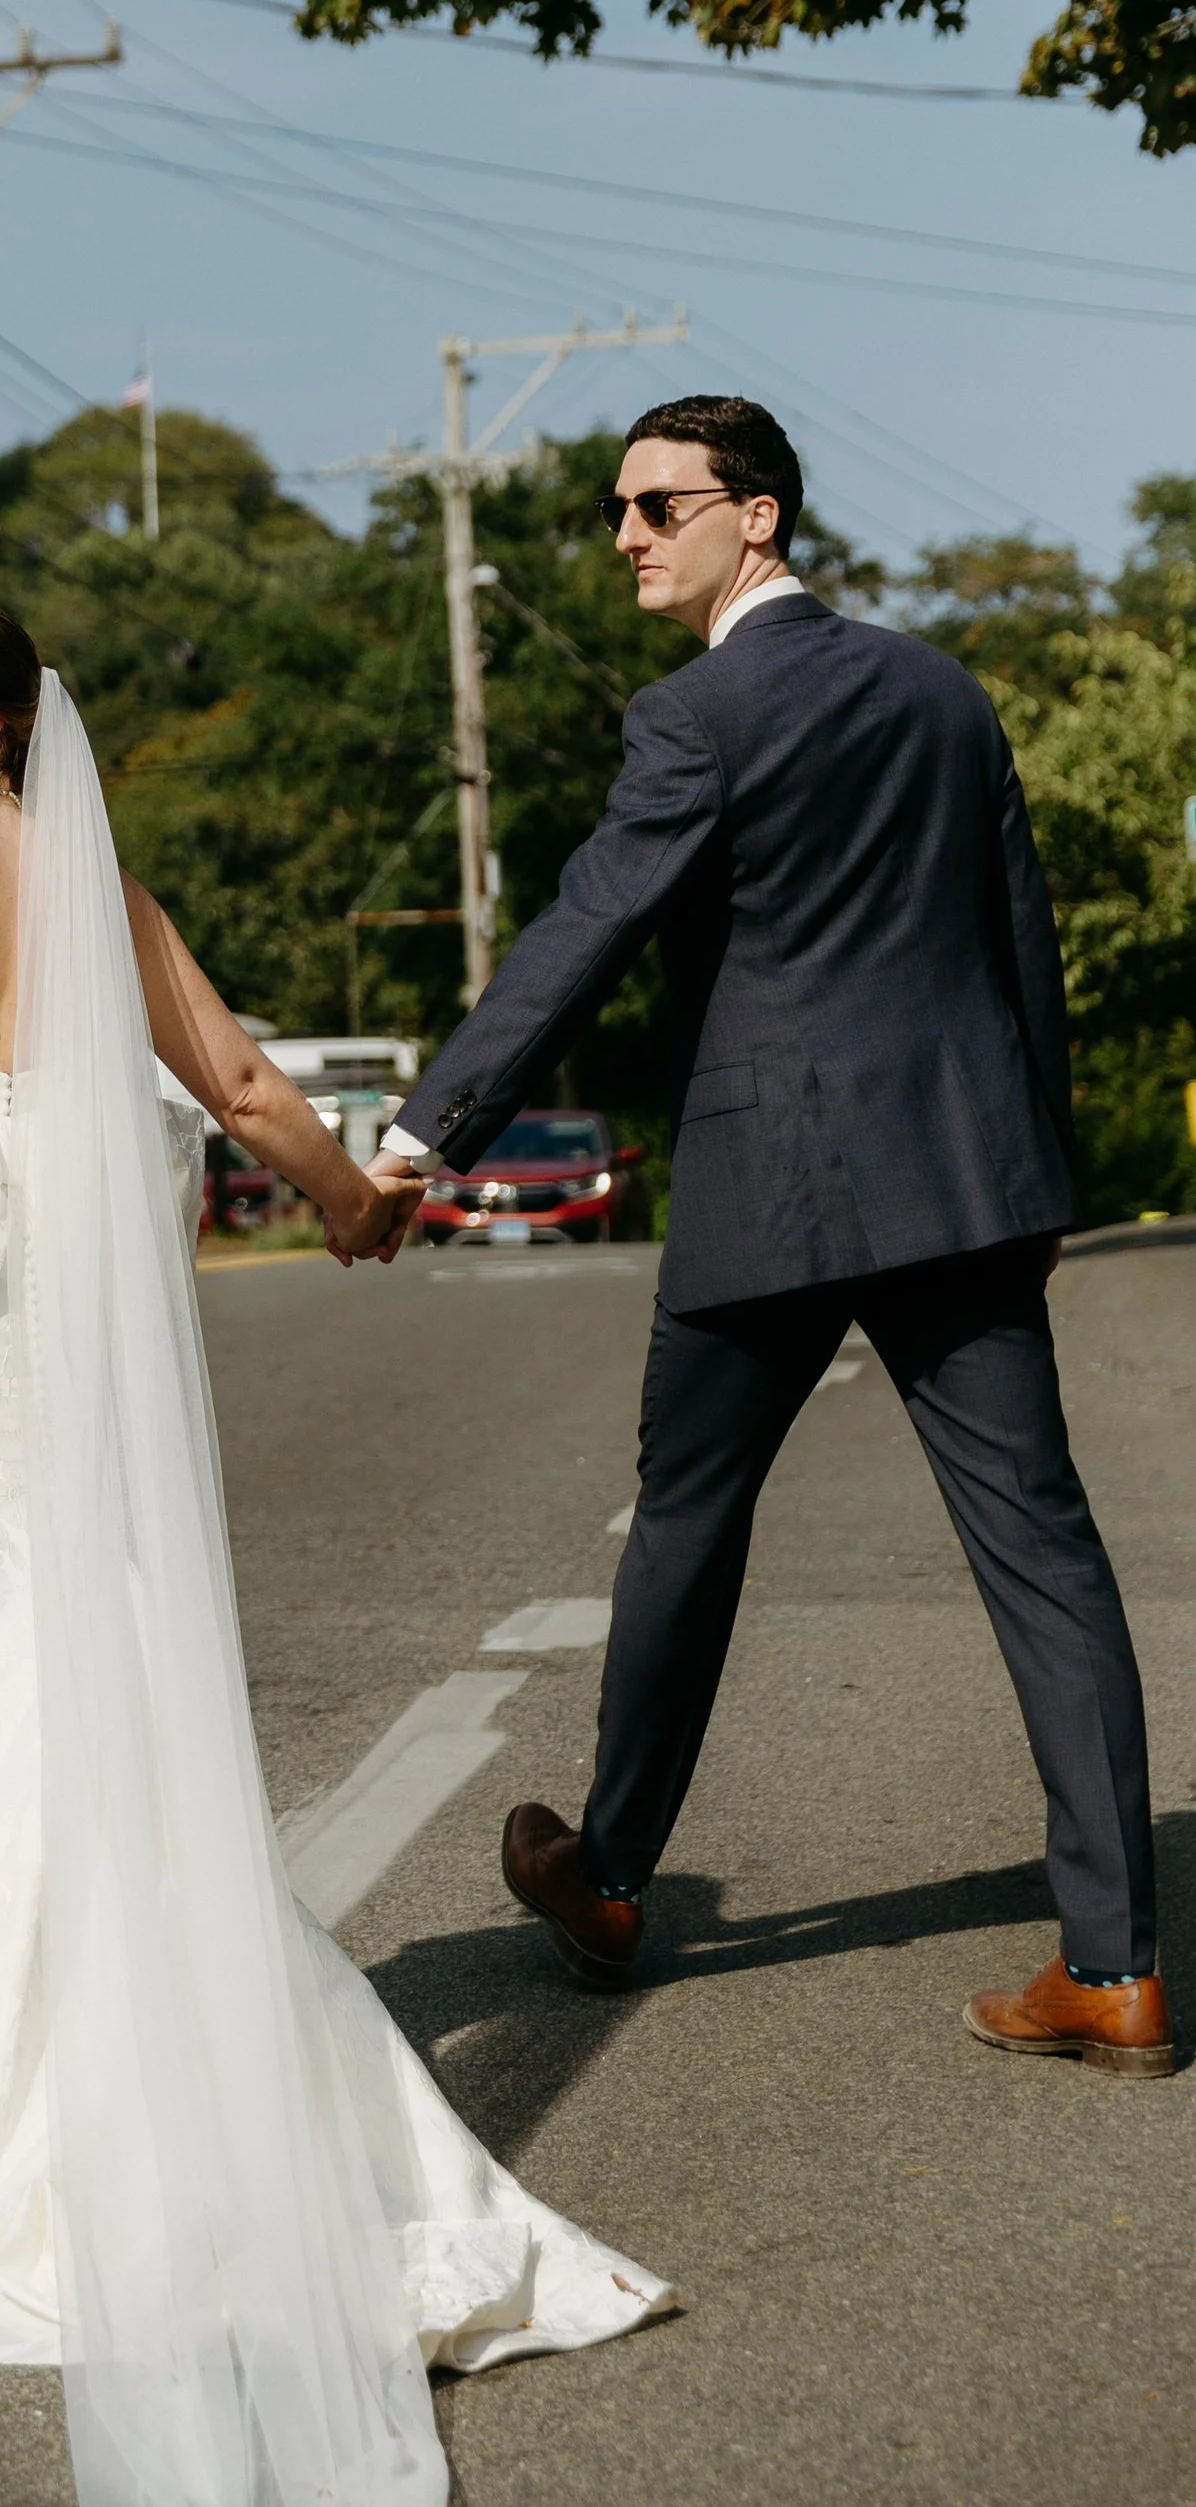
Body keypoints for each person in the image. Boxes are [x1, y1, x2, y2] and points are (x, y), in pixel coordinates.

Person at [0, 597, 669, 2507]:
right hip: (36, 1403)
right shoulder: (91, 897)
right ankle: (116, 2091)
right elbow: (229, 1076)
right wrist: (344, 1197)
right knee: (66, 1711)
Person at [370, 395, 1170, 2079]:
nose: (626, 536)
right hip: (961, 1183)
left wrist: (414, 1135)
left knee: (685, 1526)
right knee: (1047, 1551)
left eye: (659, 506)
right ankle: (1115, 1967)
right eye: (619, 509)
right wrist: (1043, 1186)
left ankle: (607, 1878)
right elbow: (1021, 949)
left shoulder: (698, 718)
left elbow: (583, 934)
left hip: (775, 1197)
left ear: (763, 518)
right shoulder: (946, 695)